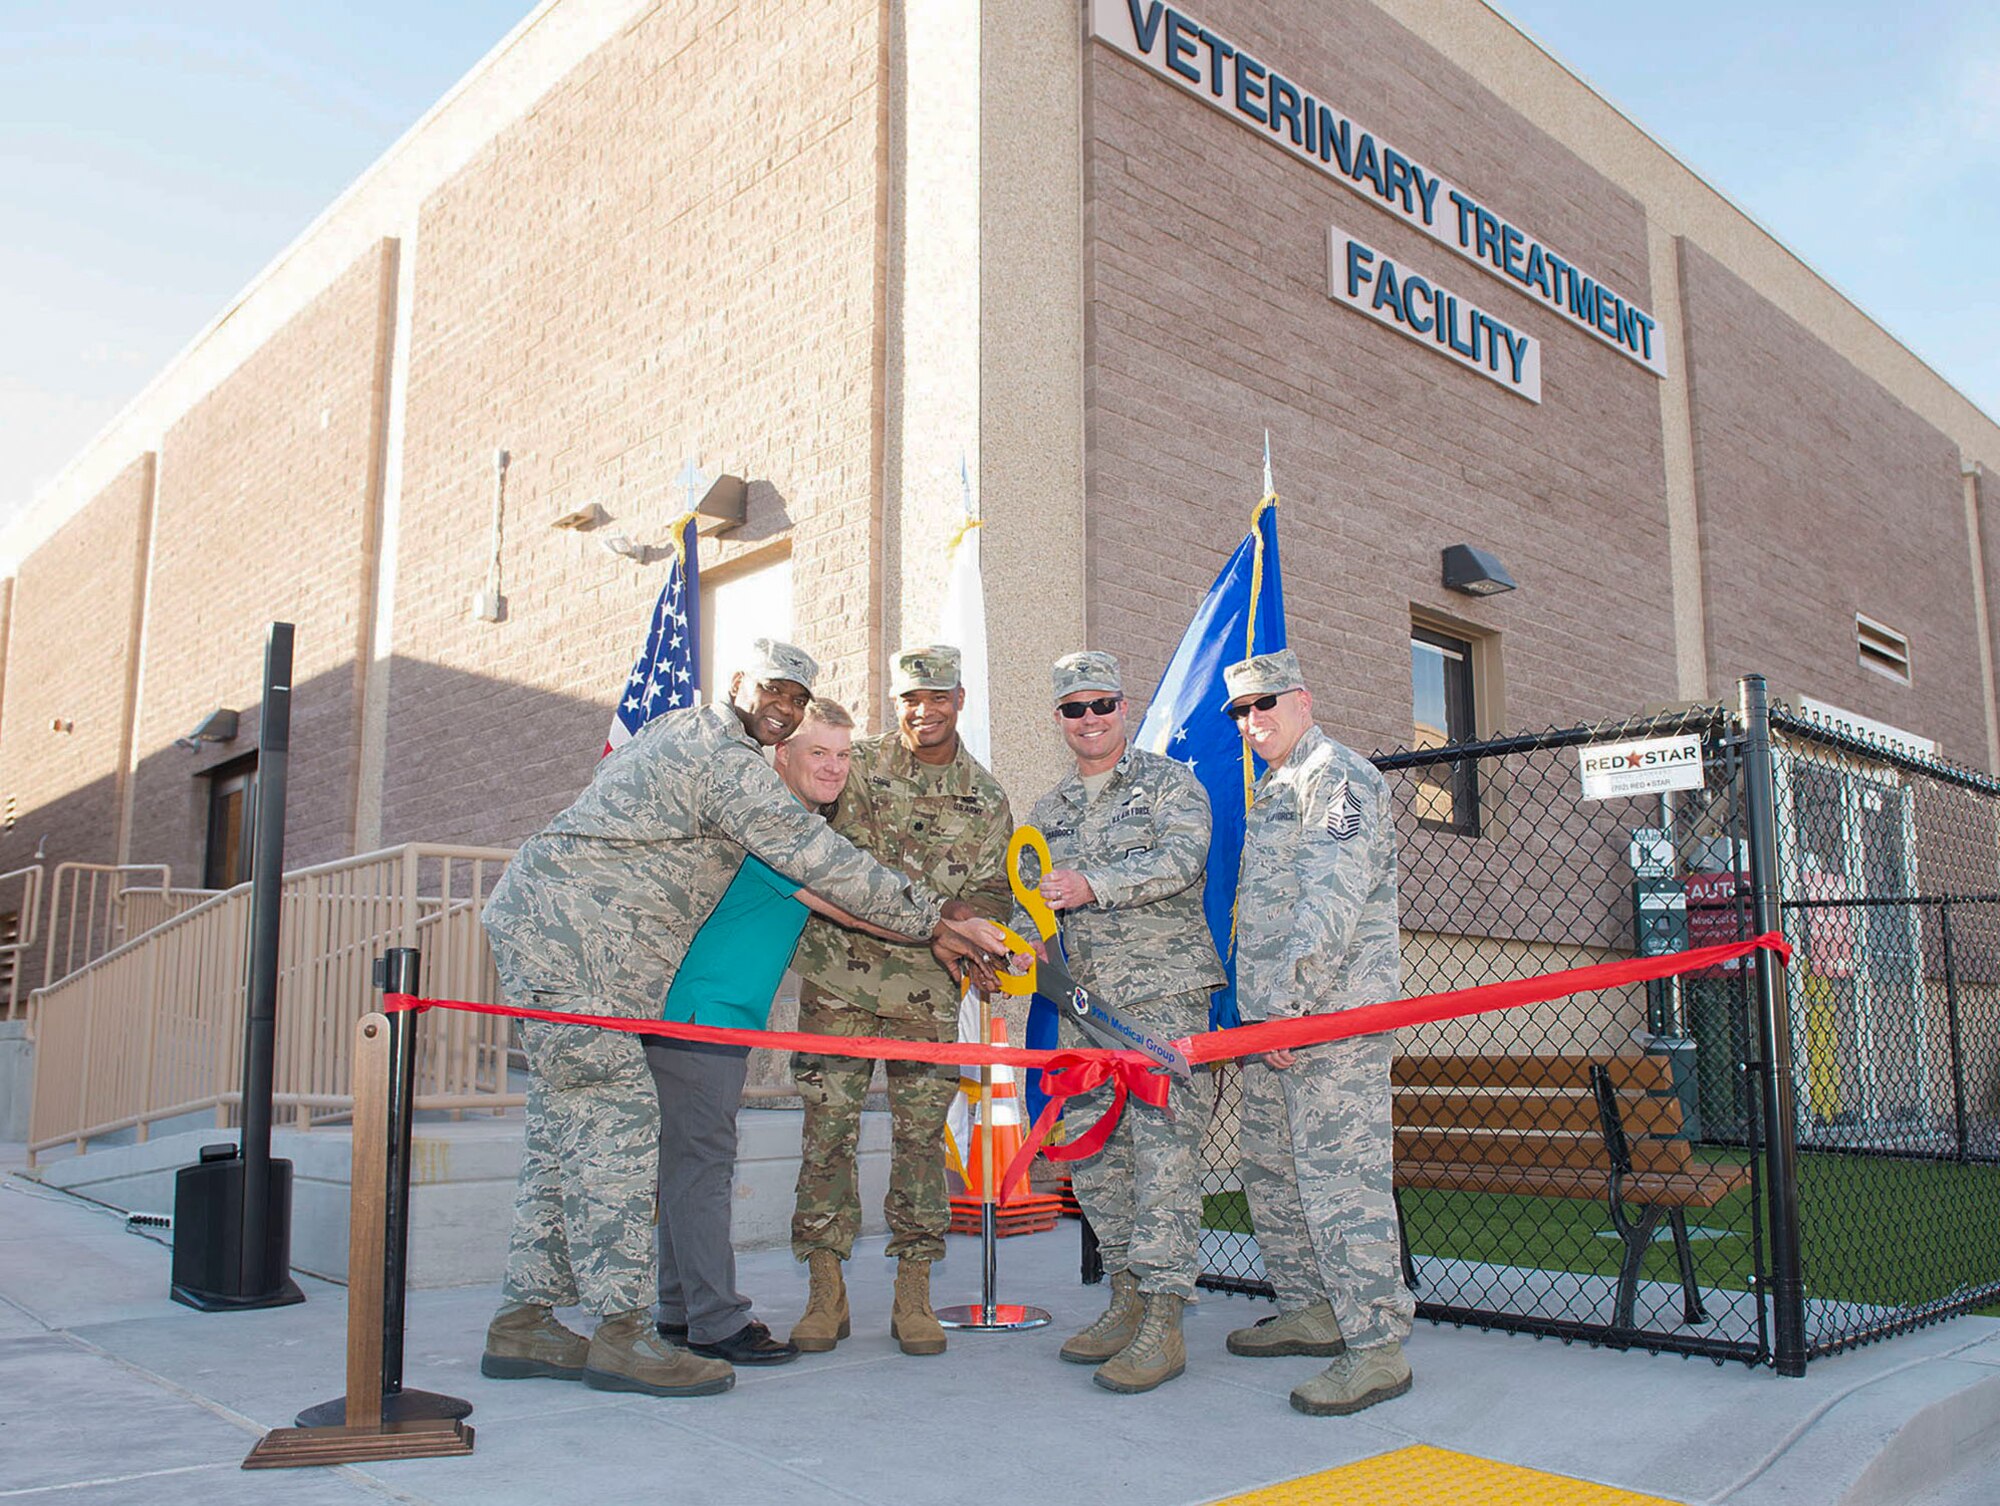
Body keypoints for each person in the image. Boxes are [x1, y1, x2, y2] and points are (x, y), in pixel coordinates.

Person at [478, 640, 1002, 1398]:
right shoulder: (727, 763)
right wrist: (937, 917)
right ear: (736, 686)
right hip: (581, 939)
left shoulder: (680, 735)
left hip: (585, 942)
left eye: (795, 698)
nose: (782, 709)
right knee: (616, 1130)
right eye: (773, 694)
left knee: (563, 1135)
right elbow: (822, 865)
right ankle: (626, 1335)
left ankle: (524, 1319)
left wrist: (935, 927)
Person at [788, 645, 1015, 1357]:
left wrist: (980, 949)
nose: (924, 711)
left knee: (919, 1143)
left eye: (937, 696)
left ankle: (913, 1292)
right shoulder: (856, 766)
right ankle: (826, 1293)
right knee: (828, 1135)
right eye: (910, 699)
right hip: (838, 977)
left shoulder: (986, 798)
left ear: (960, 697)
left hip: (925, 990)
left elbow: (990, 895)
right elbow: (820, 852)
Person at [642, 697, 873, 1369]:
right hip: (699, 1018)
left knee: (689, 1165)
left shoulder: (783, 822)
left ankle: (681, 1309)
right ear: (781, 756)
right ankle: (716, 1321)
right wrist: (950, 931)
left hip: (710, 1017)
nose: (833, 767)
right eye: (817, 752)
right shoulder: (773, 827)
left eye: (843, 754)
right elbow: (852, 906)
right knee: (705, 1167)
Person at [1022, 651, 1223, 1394]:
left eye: (1102, 704)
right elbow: (1031, 903)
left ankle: (1165, 1319)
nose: (1090, 720)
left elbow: (1183, 860)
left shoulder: (1172, 784)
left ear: (1123, 707)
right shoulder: (1047, 812)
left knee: (1164, 1155)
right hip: (1081, 1008)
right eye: (1074, 709)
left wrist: (1091, 885)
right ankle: (1125, 1296)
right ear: (1059, 721)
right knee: (1097, 1158)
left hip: (1161, 1001)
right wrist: (1010, 946)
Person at [1220, 647, 1414, 1416]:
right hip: (1274, 1026)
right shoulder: (1279, 786)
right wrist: (1267, 1017)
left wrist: (1295, 1008)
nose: (1252, 719)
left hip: (1325, 1023)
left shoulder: (1338, 775)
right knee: (1271, 1169)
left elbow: (1330, 903)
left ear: (1302, 698)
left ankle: (1375, 1346)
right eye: (1241, 710)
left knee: (1342, 1181)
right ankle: (1313, 1308)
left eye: (1265, 703)